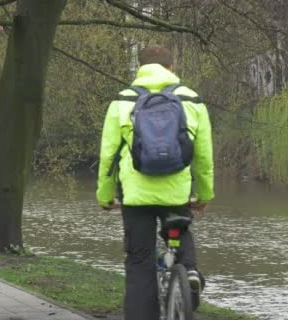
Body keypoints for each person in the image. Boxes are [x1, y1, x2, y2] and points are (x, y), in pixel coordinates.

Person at [96, 46, 214, 320]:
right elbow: (203, 157)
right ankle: (190, 271)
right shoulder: (192, 100)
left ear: (140, 68)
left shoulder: (122, 101)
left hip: (136, 196)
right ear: (172, 68)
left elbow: (108, 156)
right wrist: (204, 195)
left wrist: (105, 197)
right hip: (176, 192)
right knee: (180, 230)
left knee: (139, 262)